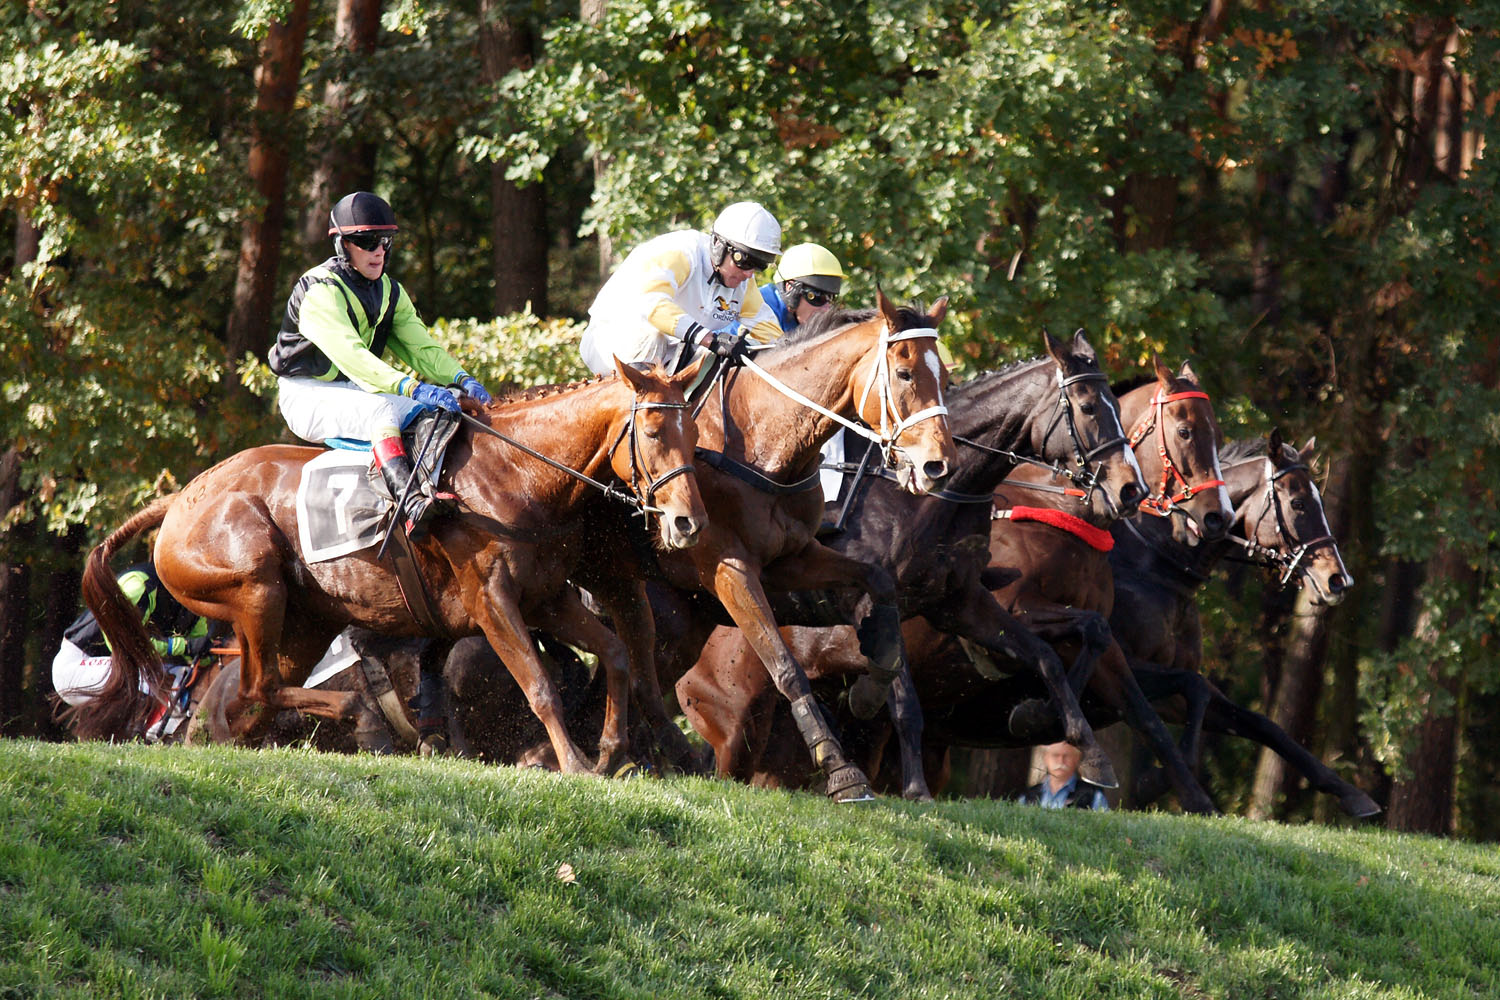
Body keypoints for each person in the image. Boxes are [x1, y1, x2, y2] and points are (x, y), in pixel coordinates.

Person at [268, 191, 493, 540]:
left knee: (432, 413)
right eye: (367, 241)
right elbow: (354, 357)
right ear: (342, 245)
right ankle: (410, 503)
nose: (379, 251)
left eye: (385, 241)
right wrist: (413, 386)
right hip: (306, 394)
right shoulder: (318, 290)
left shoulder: (389, 290)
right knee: (382, 411)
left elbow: (421, 348)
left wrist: (461, 377)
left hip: (351, 388)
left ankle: (431, 489)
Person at [578, 201, 785, 378]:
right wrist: (711, 340)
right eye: (745, 261)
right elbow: (651, 304)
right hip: (610, 338)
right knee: (653, 337)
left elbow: (770, 334)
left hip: (670, 351)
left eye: (760, 265)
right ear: (718, 245)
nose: (750, 274)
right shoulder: (682, 252)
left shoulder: (742, 281)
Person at [52, 561, 217, 741]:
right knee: (148, 676)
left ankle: (173, 732)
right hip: (75, 665)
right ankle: (146, 736)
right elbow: (125, 645)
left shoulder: (195, 602)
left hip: (121, 668)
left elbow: (197, 650)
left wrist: (217, 650)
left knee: (182, 675)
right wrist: (184, 646)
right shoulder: (140, 584)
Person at [761, 242, 845, 334]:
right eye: (817, 296)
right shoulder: (758, 311)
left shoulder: (801, 318)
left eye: (831, 297)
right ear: (790, 288)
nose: (826, 308)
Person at [1018, 740, 1111, 810]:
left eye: (1066, 756)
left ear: (1077, 759)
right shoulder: (1028, 796)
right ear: (1045, 758)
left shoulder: (1093, 795)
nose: (1060, 761)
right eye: (1055, 755)